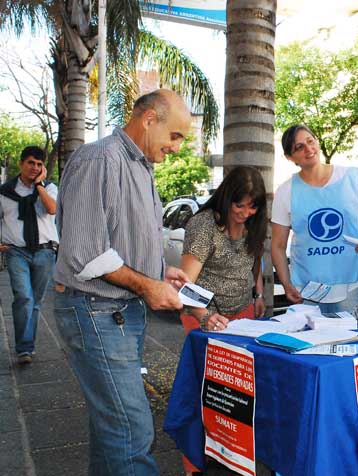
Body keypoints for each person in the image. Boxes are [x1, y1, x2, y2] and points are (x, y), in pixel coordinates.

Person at [53, 89, 191, 476]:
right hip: (95, 312)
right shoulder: (100, 159)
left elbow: (118, 242)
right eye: (175, 135)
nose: (177, 148)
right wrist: (148, 287)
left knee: (112, 428)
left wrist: (157, 273)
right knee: (131, 430)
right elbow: (84, 251)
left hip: (115, 313)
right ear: (149, 119)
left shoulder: (140, 167)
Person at [178, 165, 267, 475]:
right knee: (203, 390)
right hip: (203, 314)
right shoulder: (203, 225)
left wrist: (258, 295)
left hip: (241, 312)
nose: (245, 212)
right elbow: (185, 283)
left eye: (252, 205)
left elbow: (255, 260)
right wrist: (206, 316)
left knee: (239, 390)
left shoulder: (255, 224)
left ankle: (233, 453)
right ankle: (193, 463)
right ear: (226, 198)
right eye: (239, 204)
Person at [272, 124, 358, 317]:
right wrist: (287, 284)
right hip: (307, 289)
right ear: (290, 157)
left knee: (347, 342)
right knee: (310, 345)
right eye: (299, 147)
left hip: (350, 283)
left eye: (310, 141)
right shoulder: (286, 191)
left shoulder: (349, 178)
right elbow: (278, 245)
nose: (308, 149)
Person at [0, 146, 58, 365]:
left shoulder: (50, 189)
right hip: (17, 252)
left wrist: (39, 186)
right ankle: (24, 348)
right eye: (31, 163)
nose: (35, 167)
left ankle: (27, 345)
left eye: (39, 164)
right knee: (24, 297)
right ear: (22, 163)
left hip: (44, 252)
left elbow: (52, 210)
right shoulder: (5, 192)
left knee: (36, 302)